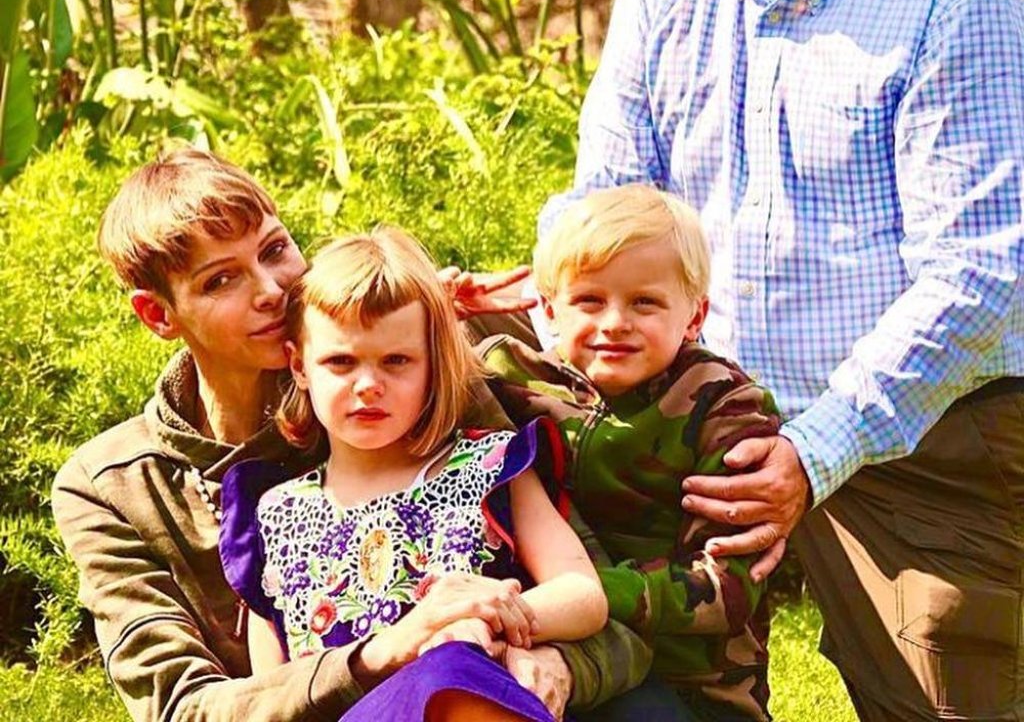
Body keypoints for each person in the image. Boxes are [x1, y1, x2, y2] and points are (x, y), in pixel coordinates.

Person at [547, 0, 1024, 719]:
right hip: (687, 424)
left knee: (952, 698)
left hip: (917, 438)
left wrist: (815, 450)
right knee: (585, 661)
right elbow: (607, 204)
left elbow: (981, 274)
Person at [51, 148, 650, 722]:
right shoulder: (112, 488)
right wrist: (383, 652)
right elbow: (184, 710)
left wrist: (557, 662)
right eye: (220, 281)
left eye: (275, 249)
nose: (271, 289)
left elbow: (607, 613)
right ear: (159, 315)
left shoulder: (419, 393)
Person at [220, 227, 609, 721]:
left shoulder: (487, 465)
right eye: (340, 362)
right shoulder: (275, 514)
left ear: (432, 365)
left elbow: (583, 595)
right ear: (299, 366)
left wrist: (486, 622)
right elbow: (274, 692)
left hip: (470, 699)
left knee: (450, 670)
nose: (368, 386)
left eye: (397, 361)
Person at [480, 185, 780, 722]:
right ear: (549, 310)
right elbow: (405, 372)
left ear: (694, 316)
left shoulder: (725, 409)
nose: (615, 322)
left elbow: (728, 588)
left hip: (693, 681)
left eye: (645, 302)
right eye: (589, 301)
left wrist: (589, 596)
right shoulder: (513, 378)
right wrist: (439, 300)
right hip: (558, 649)